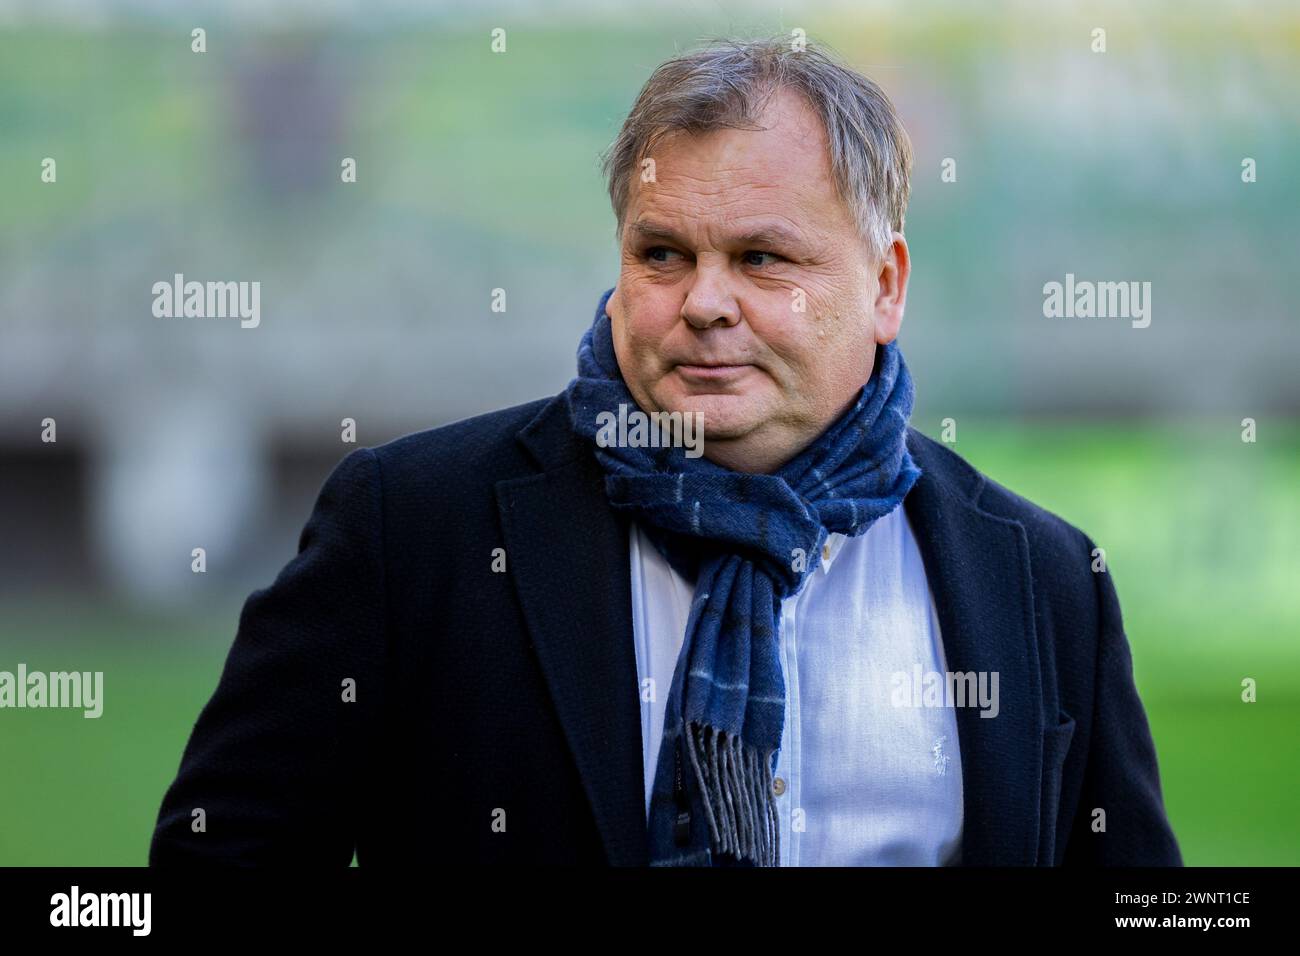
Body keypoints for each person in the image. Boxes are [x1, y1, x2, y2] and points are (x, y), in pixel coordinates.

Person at [150, 36, 1181, 867]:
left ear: (884, 285)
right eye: (662, 254)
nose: (703, 302)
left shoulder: (1041, 580)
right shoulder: (412, 526)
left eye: (762, 258)